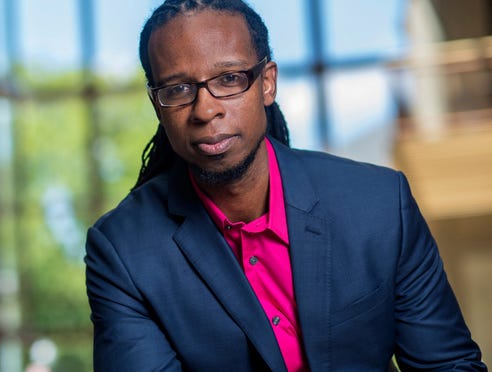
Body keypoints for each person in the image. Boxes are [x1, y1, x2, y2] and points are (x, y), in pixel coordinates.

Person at [84, 0, 487, 370]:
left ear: (267, 83)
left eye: (229, 78)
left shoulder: (380, 205)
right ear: (158, 104)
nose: (206, 109)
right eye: (178, 89)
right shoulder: (123, 251)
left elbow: (449, 366)